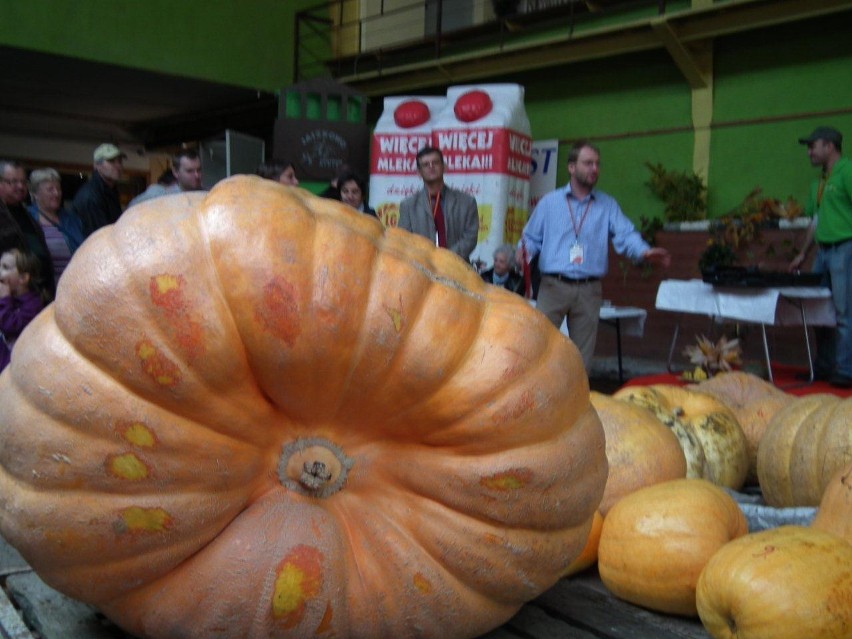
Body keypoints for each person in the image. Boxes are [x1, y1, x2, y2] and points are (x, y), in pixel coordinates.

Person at [518, 140, 670, 370]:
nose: (594, 169)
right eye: (588, 163)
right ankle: (533, 402)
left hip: (589, 290)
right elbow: (530, 239)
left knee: (581, 359)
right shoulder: (550, 203)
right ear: (571, 167)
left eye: (597, 164)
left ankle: (574, 404)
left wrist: (643, 251)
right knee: (537, 349)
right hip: (553, 286)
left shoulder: (607, 205)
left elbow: (626, 233)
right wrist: (521, 255)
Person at [789, 126, 852, 388]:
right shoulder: (819, 182)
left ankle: (846, 370)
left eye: (813, 146)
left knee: (843, 313)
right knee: (818, 312)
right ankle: (824, 366)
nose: (809, 152)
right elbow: (815, 222)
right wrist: (803, 254)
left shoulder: (847, 171)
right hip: (823, 253)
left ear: (830, 146)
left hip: (845, 249)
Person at [398, 146, 479, 261]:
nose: (431, 167)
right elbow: (404, 239)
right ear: (419, 173)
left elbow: (470, 238)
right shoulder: (408, 206)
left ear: (444, 167)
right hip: (422, 269)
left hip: (457, 268)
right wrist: (427, 260)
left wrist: (445, 259)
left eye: (435, 162)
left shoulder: (466, 202)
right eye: (426, 165)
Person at [1, 160, 55, 297]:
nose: (20, 186)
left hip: (35, 292)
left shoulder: (26, 213)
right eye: (13, 182)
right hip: (9, 297)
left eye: (23, 182)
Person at [27, 168, 84, 283]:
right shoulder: (28, 219)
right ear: (35, 194)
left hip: (73, 283)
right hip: (44, 286)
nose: (56, 193)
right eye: (50, 190)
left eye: (58, 188)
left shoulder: (71, 219)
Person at [0, 248, 49, 372]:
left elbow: (10, 326)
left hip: (16, 368)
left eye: (5, 267)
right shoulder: (9, 298)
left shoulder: (33, 305)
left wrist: (4, 299)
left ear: (23, 278)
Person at [72, 143, 125, 238]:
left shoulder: (110, 190)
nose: (118, 166)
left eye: (120, 161)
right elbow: (99, 237)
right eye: (111, 161)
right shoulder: (91, 196)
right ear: (97, 165)